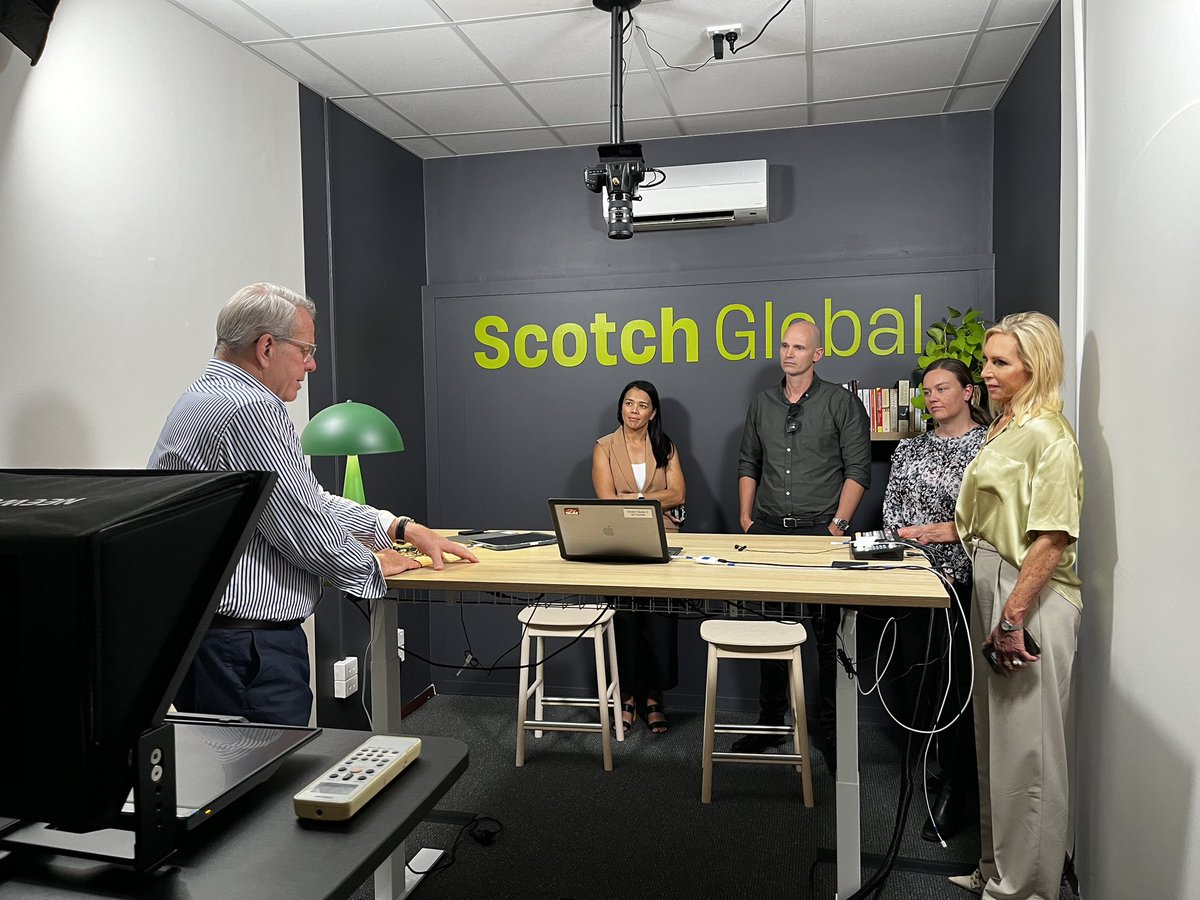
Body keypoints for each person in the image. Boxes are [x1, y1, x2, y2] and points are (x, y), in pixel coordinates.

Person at [150, 282, 477, 726]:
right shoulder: (249, 408)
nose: (312, 364)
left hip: (212, 643)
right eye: (305, 350)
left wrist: (396, 527)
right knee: (263, 782)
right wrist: (371, 565)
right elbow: (302, 529)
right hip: (246, 651)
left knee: (230, 777)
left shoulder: (199, 398)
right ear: (266, 347)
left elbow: (306, 498)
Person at [949, 312, 1083, 898]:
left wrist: (1011, 619)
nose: (987, 372)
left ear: (1036, 367)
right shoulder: (1007, 426)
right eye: (987, 360)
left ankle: (1026, 890)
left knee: (1027, 757)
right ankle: (993, 870)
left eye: (1000, 362)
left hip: (1029, 597)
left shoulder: (1051, 435)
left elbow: (1052, 538)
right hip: (994, 580)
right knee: (994, 746)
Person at [733, 319, 871, 768]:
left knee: (828, 640)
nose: (789, 353)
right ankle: (772, 722)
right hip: (769, 531)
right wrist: (746, 519)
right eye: (784, 345)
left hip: (820, 533)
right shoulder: (762, 403)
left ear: (818, 354)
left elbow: (858, 471)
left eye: (799, 347)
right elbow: (749, 460)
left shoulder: (842, 403)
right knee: (770, 634)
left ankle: (831, 733)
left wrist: (837, 526)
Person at [882, 357, 989, 841]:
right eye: (927, 391)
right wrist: (918, 539)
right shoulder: (909, 448)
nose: (933, 398)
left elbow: (991, 523)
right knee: (917, 681)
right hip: (913, 578)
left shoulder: (988, 447)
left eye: (942, 388)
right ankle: (927, 770)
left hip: (962, 584)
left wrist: (951, 533)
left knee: (956, 688)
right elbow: (893, 515)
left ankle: (955, 787)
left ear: (968, 392)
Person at [592, 380, 686, 734]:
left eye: (642, 405)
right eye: (628, 403)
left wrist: (632, 500)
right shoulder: (604, 447)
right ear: (621, 408)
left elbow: (679, 492)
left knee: (660, 620)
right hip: (620, 542)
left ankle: (653, 696)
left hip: (664, 540)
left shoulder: (665, 446)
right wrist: (651, 501)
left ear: (653, 412)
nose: (633, 410)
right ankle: (628, 695)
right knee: (627, 620)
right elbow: (606, 501)